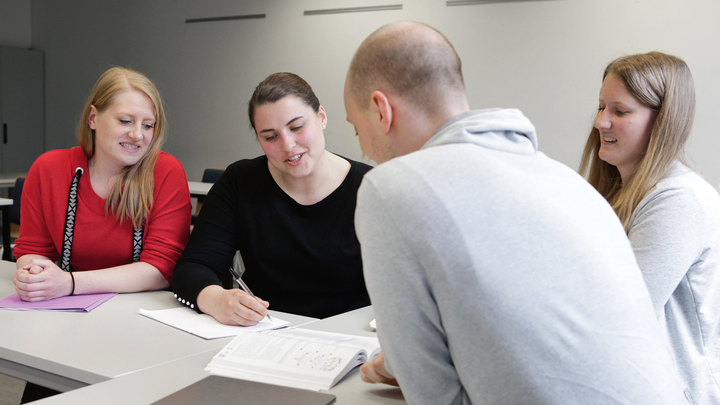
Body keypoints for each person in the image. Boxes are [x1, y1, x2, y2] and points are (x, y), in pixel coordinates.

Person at [345, 22, 688, 404]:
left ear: (381, 110)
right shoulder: (567, 183)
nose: (366, 152)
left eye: (358, 132)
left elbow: (433, 395)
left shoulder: (391, 185)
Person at [12, 67, 191, 402]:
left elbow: (160, 268)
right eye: (125, 121)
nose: (138, 134)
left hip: (141, 329)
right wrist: (35, 272)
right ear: (93, 118)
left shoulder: (165, 172)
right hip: (65, 327)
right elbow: (33, 248)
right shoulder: (49, 168)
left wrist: (69, 283)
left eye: (148, 125)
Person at [172, 72, 371, 324]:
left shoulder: (371, 187)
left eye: (297, 127)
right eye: (270, 136)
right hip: (265, 333)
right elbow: (192, 268)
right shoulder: (240, 181)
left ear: (321, 117)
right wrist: (217, 299)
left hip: (351, 339)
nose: (287, 144)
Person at [579, 52, 720, 404]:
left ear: (664, 121)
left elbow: (622, 315)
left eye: (620, 111)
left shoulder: (679, 200)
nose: (601, 123)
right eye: (601, 107)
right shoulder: (620, 195)